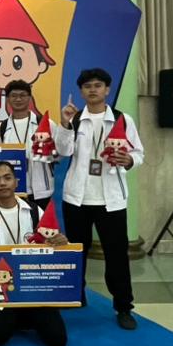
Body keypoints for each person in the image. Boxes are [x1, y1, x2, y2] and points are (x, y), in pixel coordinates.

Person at [52, 68, 144, 330]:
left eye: (98, 85)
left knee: (116, 256)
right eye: (87, 86)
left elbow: (138, 153)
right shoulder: (75, 118)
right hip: (77, 198)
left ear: (107, 90)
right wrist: (65, 124)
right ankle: (75, 294)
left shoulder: (122, 119)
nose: (93, 90)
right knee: (76, 251)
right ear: (81, 92)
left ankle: (123, 306)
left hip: (110, 199)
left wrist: (128, 160)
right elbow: (62, 151)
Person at [0, 161, 69, 346]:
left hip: (32, 285)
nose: (2, 183)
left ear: (16, 182)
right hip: (1, 287)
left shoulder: (34, 211)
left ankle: (22, 316)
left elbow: (48, 247)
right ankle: (13, 317)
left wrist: (59, 243)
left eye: (7, 178)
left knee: (57, 340)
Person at [0, 81, 58, 212]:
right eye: (14, 96)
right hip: (13, 190)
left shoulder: (46, 124)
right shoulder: (1, 128)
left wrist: (48, 153)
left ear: (29, 98)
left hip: (42, 190)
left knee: (41, 224)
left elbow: (58, 154)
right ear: (8, 99)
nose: (18, 99)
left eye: (22, 95)